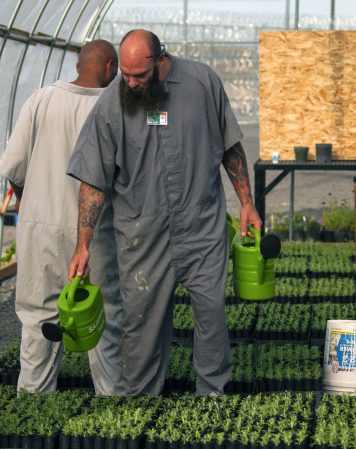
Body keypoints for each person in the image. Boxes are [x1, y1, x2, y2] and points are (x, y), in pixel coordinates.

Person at [67, 29, 262, 396]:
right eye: (124, 73)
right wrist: (83, 245)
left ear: (160, 59)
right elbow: (93, 180)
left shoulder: (201, 83)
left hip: (202, 227)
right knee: (141, 328)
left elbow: (230, 147)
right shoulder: (113, 103)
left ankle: (211, 400)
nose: (131, 82)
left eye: (139, 75)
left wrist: (247, 203)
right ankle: (141, 404)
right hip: (143, 237)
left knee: (211, 317)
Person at [0, 39, 124, 394]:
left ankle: (34, 407)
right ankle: (111, 408)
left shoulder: (42, 99)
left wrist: (29, 201)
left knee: (39, 317)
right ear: (110, 67)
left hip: (40, 226)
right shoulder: (112, 107)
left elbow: (14, 166)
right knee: (102, 316)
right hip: (94, 231)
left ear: (77, 66)